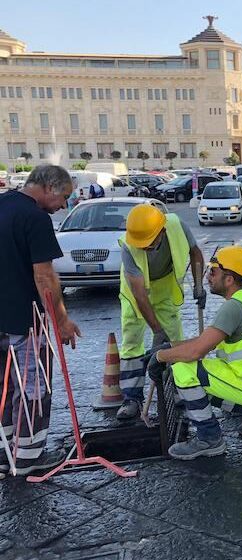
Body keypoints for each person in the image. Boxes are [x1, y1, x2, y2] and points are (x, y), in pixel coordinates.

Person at [146, 246, 242, 460]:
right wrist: (170, 347)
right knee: (193, 371)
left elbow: (196, 351)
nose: (208, 277)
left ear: (229, 279)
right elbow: (204, 342)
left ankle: (210, 438)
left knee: (184, 369)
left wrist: (160, 357)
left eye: (212, 271)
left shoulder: (234, 308)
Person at [0, 165, 81, 476]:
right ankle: (29, 456)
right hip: (25, 321)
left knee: (3, 387)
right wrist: (61, 320)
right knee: (33, 386)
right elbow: (44, 276)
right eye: (63, 197)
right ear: (49, 188)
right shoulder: (35, 218)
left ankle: (5, 451)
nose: (63, 205)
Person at [116, 204, 205, 421]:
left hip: (164, 287)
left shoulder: (176, 226)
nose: (144, 248)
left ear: (162, 232)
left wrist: (198, 284)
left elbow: (196, 254)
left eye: (148, 244)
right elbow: (139, 295)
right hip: (134, 292)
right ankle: (132, 398)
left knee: (175, 339)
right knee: (132, 340)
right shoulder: (129, 245)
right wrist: (156, 330)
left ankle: (178, 388)